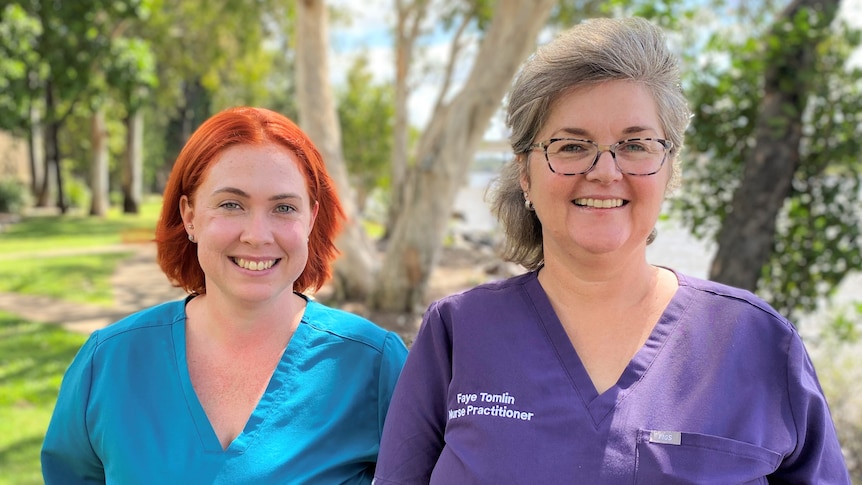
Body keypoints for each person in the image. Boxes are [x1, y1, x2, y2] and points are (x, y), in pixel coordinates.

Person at [373, 17, 850, 484]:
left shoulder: (758, 341)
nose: (605, 170)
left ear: (669, 170)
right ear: (525, 175)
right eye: (572, 146)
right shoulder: (458, 333)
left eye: (636, 145)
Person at [42, 106, 408, 484]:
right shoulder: (108, 362)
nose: (257, 235)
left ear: (311, 220)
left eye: (284, 208)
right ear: (190, 216)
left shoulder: (374, 366)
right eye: (231, 204)